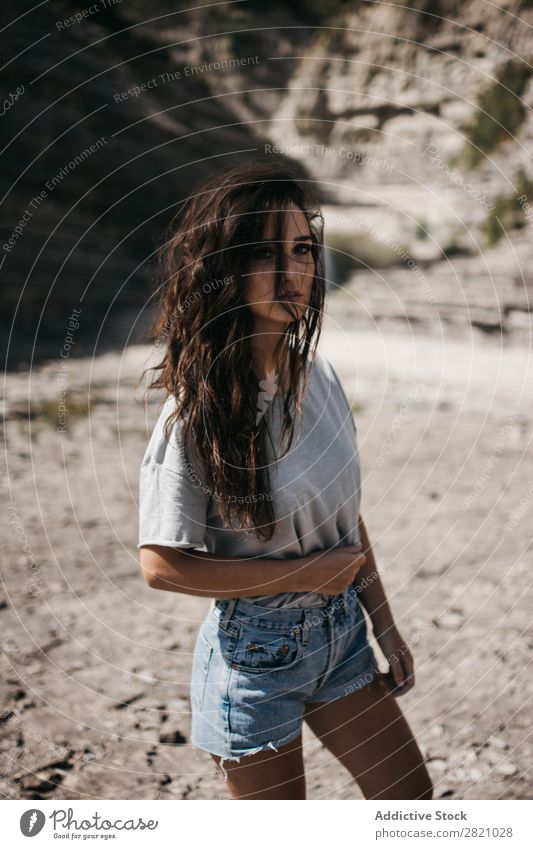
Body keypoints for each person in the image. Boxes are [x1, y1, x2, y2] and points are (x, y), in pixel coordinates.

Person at [138, 160, 433, 801]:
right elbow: (160, 566)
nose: (292, 271)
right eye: (266, 252)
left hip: (344, 636)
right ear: (226, 267)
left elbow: (344, 519)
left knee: (410, 804)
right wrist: (298, 576)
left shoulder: (318, 376)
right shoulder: (196, 410)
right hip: (255, 660)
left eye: (302, 249)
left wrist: (385, 626)